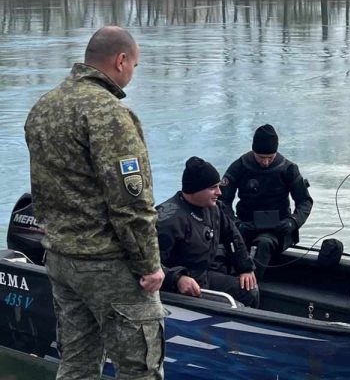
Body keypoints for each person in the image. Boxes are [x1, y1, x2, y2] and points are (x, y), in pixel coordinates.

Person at [24, 26, 165, 380]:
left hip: (61, 259)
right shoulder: (110, 114)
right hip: (108, 265)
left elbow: (42, 187)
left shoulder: (44, 107)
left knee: (77, 364)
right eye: (134, 64)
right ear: (120, 61)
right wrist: (149, 264)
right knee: (141, 369)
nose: (132, 73)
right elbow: (130, 202)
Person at [156, 157, 259, 308]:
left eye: (218, 186)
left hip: (203, 274)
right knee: (235, 307)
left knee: (250, 290)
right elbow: (149, 263)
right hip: (178, 286)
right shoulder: (168, 221)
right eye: (213, 188)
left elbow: (232, 236)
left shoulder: (214, 209)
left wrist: (245, 267)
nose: (219, 192)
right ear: (195, 189)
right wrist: (177, 278)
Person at [220, 124, 313, 280]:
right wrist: (234, 222)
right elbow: (223, 200)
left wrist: (293, 221)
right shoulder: (240, 166)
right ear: (253, 152)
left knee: (263, 243)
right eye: (261, 157)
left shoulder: (288, 169)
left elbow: (304, 201)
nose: (266, 162)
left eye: (270, 157)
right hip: (245, 223)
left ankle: (250, 289)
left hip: (278, 228)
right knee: (227, 243)